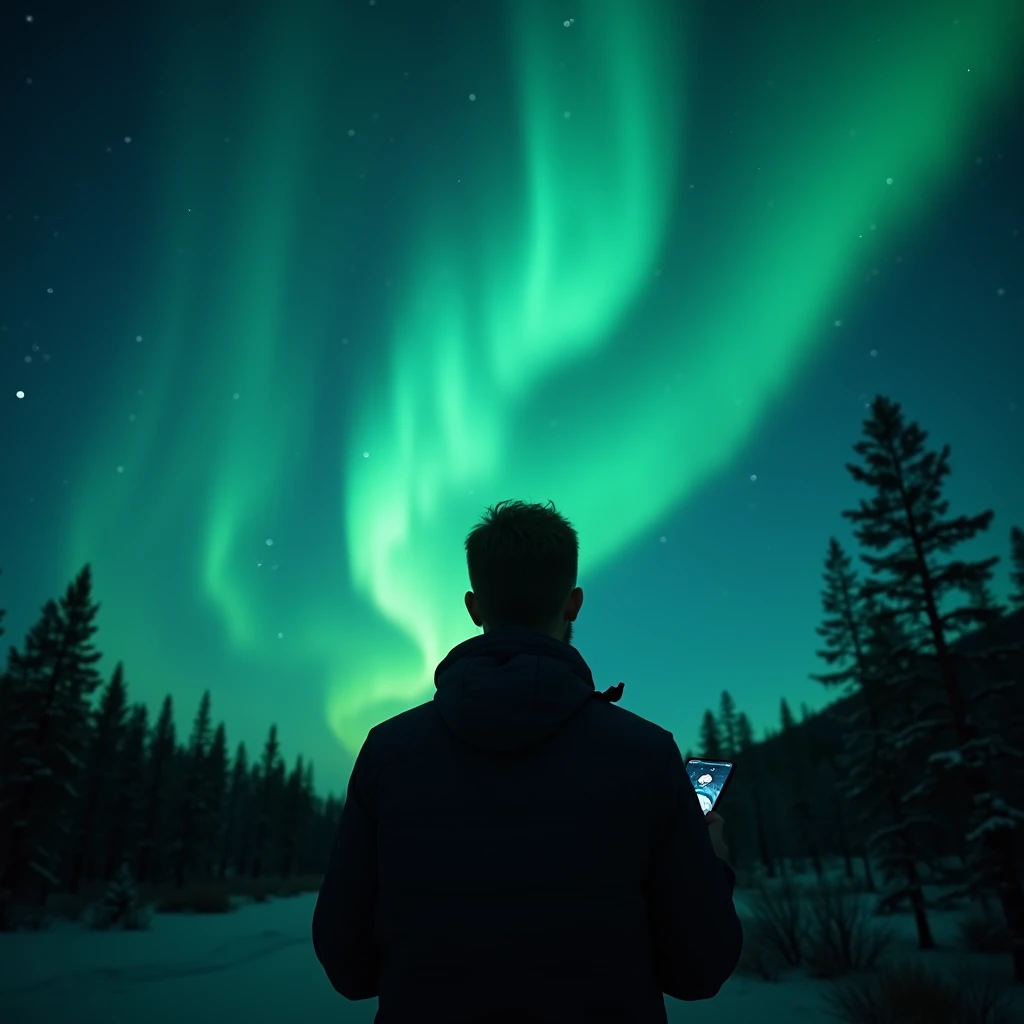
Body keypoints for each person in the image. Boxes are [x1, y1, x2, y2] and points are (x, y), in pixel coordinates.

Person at [312, 499, 743, 1022]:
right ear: (574, 603)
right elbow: (699, 970)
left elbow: (347, 965)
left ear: (474, 608)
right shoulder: (644, 752)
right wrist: (713, 863)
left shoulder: (388, 750)